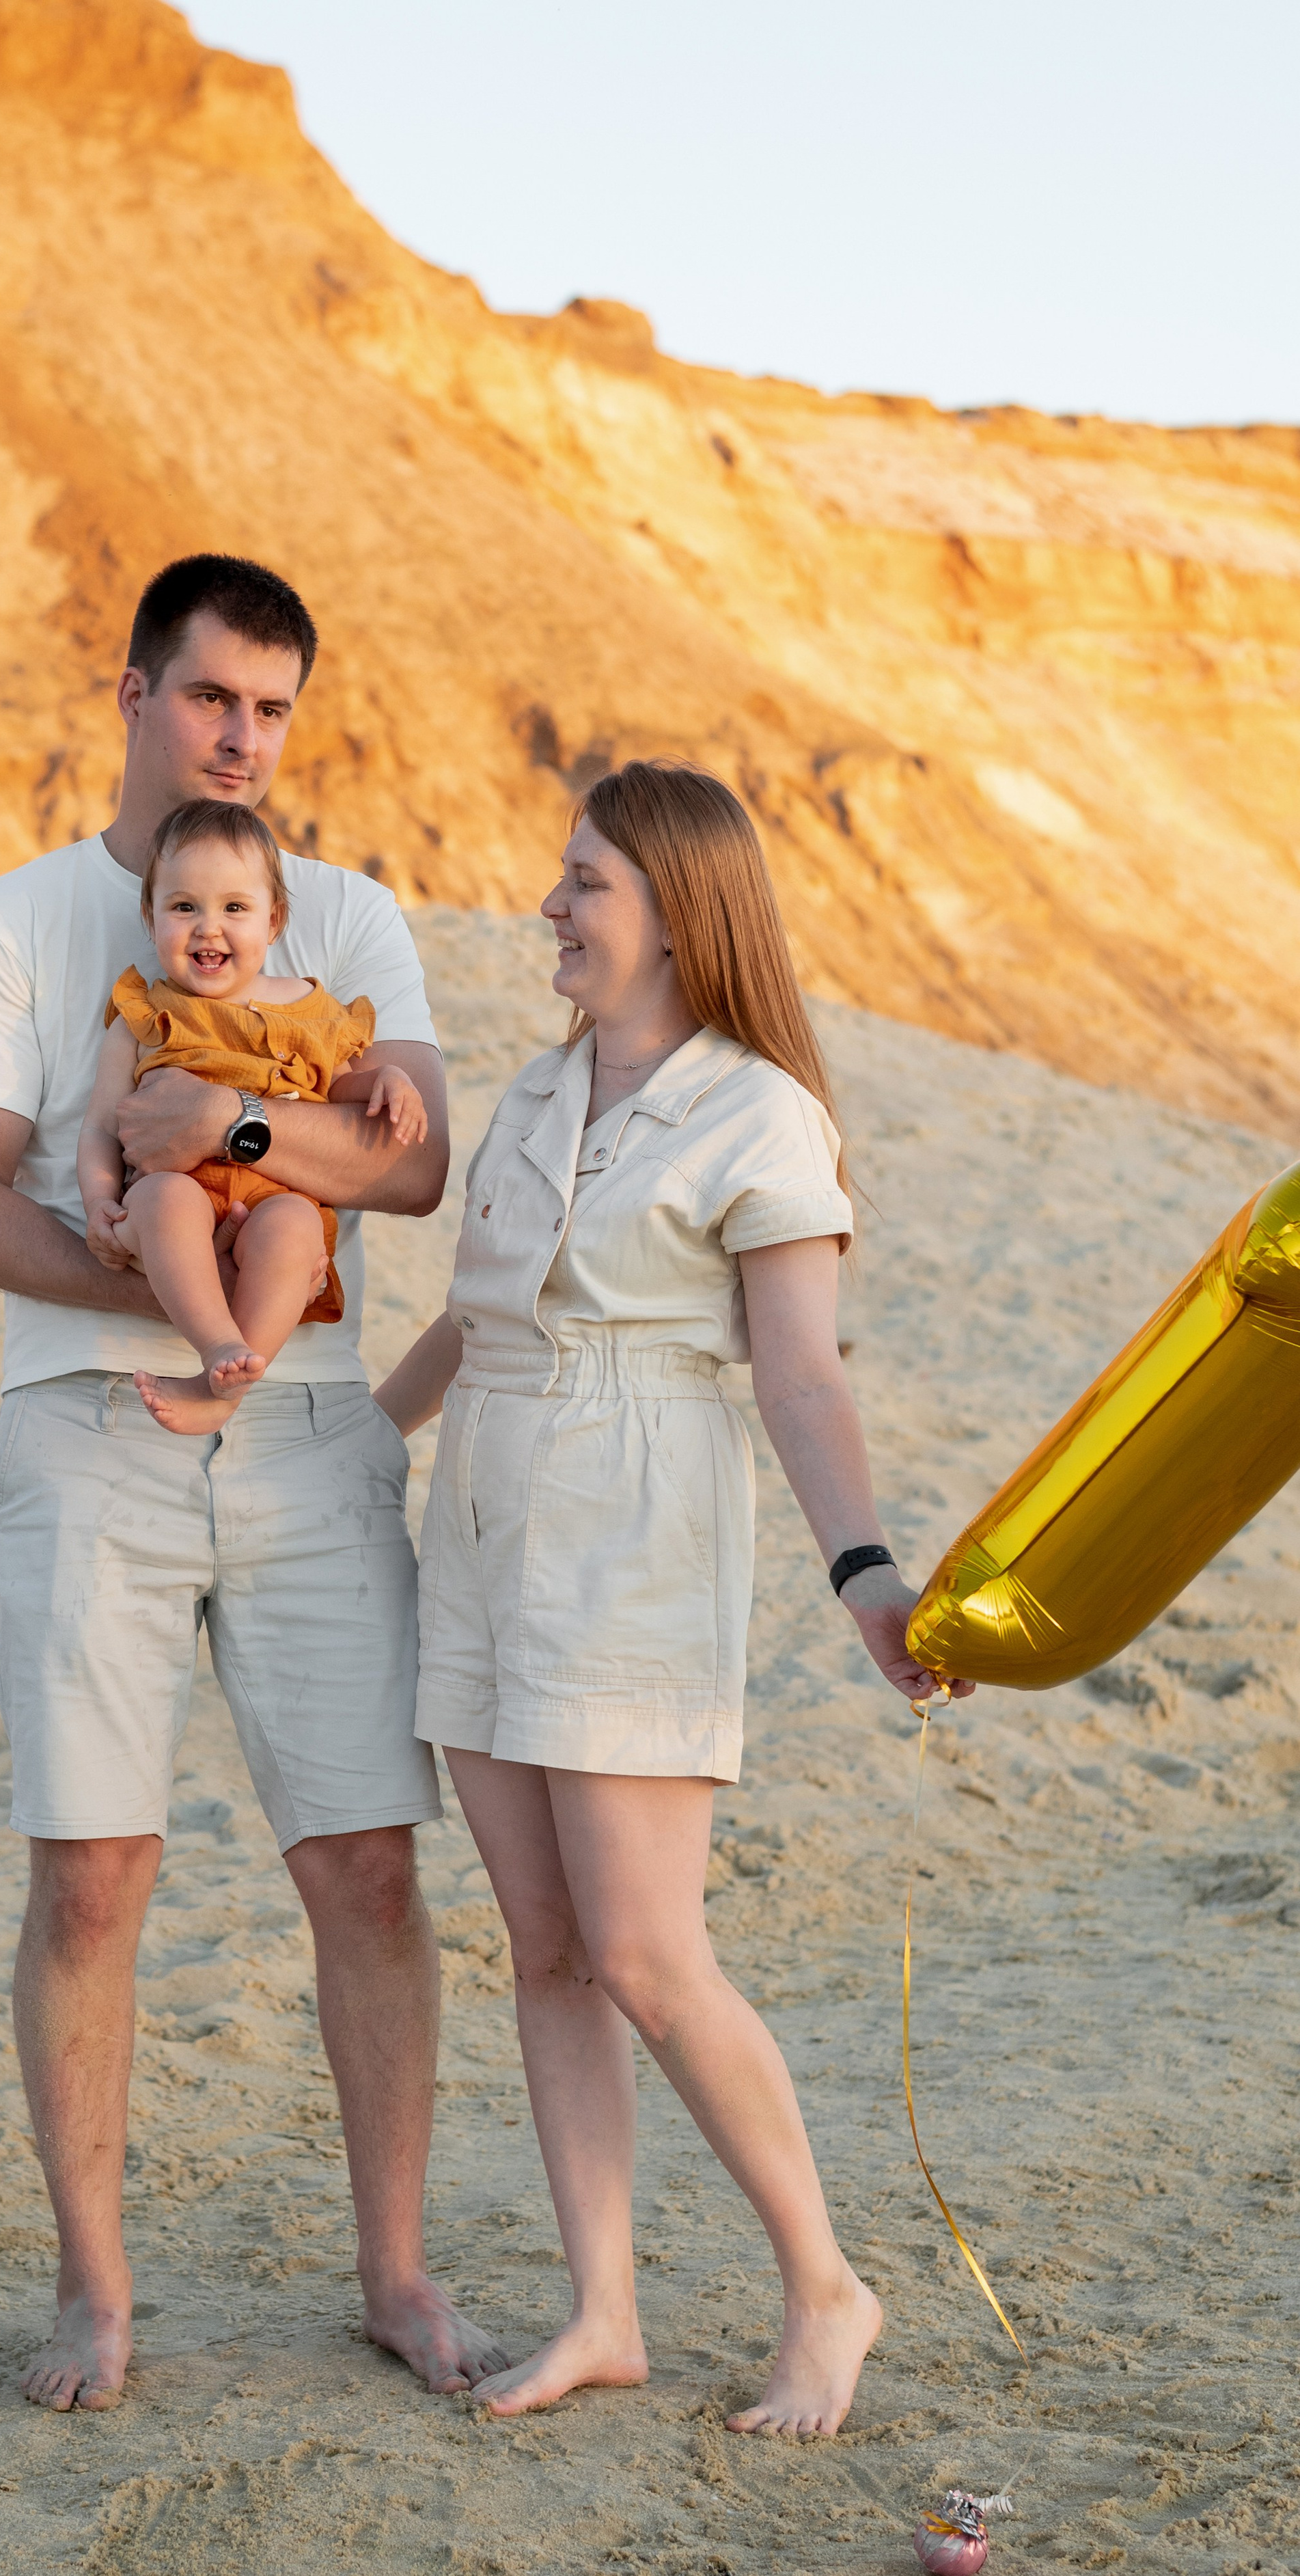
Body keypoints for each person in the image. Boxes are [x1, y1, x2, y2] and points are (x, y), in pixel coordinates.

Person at [0, 553, 506, 2411]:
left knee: (364, 1865)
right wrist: (171, 1280)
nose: (238, 735)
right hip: (88, 1427)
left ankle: (395, 2275)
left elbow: (409, 1167)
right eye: (208, 698)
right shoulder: (14, 926)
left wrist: (225, 1129)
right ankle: (97, 2294)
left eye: (269, 708)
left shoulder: (346, 908)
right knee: (93, 1875)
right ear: (133, 693)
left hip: (318, 1433)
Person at [374, 759, 973, 2435]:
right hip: (482, 1525)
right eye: (560, 879)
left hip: (638, 1532)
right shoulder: (533, 1091)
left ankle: (824, 2285)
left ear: (671, 915)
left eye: (583, 885)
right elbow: (467, 1316)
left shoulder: (759, 1112)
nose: (550, 911)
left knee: (644, 1946)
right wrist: (361, 1448)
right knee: (547, 1948)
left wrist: (864, 1572)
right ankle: (604, 2309)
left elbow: (799, 1376)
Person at [77, 798, 427, 1432]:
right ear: (150, 917)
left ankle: (237, 1375)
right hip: (174, 1194)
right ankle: (218, 1348)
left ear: (274, 922)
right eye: (184, 907)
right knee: (165, 1201)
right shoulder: (146, 1018)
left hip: (270, 1199)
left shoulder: (311, 1012)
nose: (209, 928)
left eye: (235, 908)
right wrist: (100, 1201)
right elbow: (102, 1124)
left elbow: (344, 1090)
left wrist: (390, 1080)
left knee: (295, 1225)